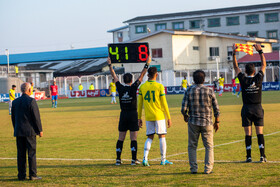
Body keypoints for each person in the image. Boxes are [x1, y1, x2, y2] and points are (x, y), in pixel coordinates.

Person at [107, 56, 151, 166]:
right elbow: (142, 75)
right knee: (133, 138)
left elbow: (114, 75)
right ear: (131, 80)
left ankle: (118, 160)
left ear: (123, 80)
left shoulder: (120, 87)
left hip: (123, 115)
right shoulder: (134, 87)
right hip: (132, 115)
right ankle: (133, 160)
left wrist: (110, 65)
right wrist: (147, 63)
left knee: (121, 138)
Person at [232, 43, 267, 162]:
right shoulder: (258, 78)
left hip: (246, 109)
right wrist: (260, 52)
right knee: (259, 132)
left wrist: (234, 54)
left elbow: (236, 67)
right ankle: (262, 156)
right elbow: (263, 65)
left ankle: (249, 157)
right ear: (254, 71)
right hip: (258, 108)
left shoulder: (243, 79)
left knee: (248, 133)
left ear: (245, 71)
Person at [181, 70, 220, 174]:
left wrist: (185, 115)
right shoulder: (210, 90)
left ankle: (193, 169)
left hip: (193, 122)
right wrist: (217, 121)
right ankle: (208, 169)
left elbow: (183, 108)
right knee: (209, 146)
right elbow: (216, 108)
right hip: (207, 122)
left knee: (192, 146)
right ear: (204, 79)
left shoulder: (189, 90)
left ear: (193, 80)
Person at [138, 67, 173, 166]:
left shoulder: (142, 87)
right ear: (156, 75)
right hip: (159, 116)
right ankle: (163, 160)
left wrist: (139, 118)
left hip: (148, 116)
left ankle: (145, 158)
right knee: (162, 136)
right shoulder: (160, 86)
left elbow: (140, 104)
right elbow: (164, 103)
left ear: (148, 75)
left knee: (150, 137)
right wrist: (169, 117)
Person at [11, 82, 43, 180]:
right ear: (29, 90)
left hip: (19, 131)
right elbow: (36, 117)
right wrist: (40, 130)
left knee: (20, 154)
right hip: (30, 132)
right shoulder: (31, 101)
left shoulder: (15, 102)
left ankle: (21, 175)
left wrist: (16, 128)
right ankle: (33, 175)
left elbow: (13, 118)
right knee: (31, 154)